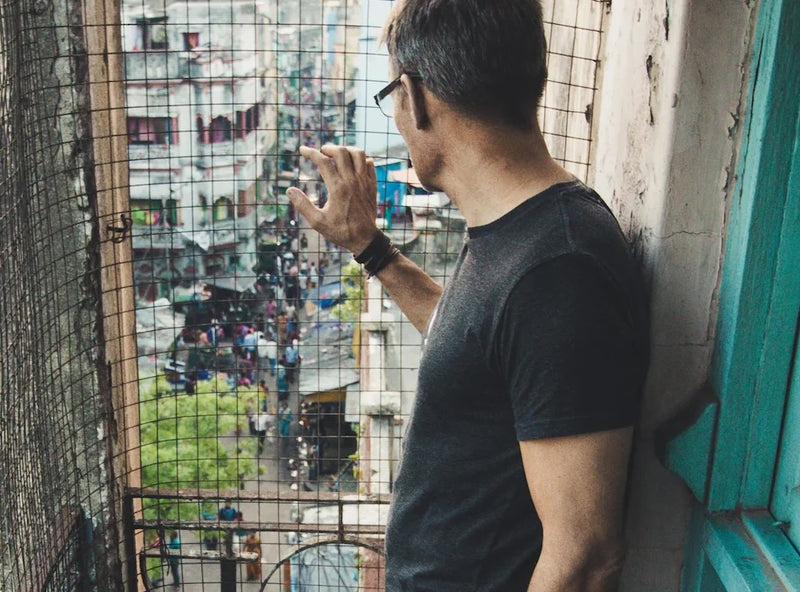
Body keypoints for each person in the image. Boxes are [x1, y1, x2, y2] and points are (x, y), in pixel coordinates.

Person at [285, 1, 649, 590]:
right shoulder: (519, 234)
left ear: (417, 97)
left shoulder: (558, 268)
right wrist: (370, 247)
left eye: (392, 96)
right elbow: (478, 344)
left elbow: (585, 556)